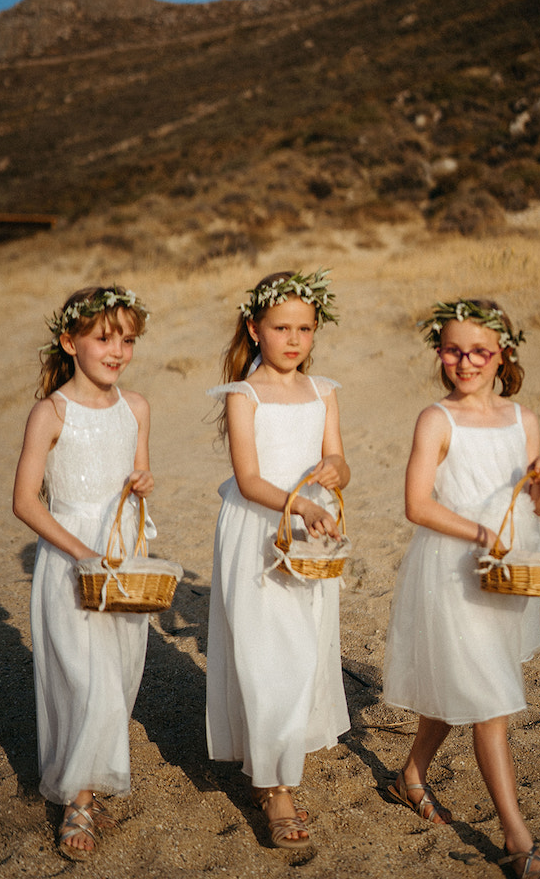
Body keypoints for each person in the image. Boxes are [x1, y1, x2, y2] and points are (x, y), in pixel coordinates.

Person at [383, 298, 540, 878]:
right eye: (455, 349)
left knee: (460, 687)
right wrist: (479, 530)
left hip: (507, 573)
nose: (466, 361)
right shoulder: (437, 419)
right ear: (440, 352)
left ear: (502, 353)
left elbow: (532, 505)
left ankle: (410, 772)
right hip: (455, 571)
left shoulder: (522, 419)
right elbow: (417, 505)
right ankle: (517, 839)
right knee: (491, 701)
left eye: (480, 351)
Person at [205, 269, 351, 848]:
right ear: (254, 328)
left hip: (312, 531)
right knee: (267, 652)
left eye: (305, 328)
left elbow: (337, 458)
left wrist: (337, 473)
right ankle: (274, 789)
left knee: (304, 647)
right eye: (281, 327)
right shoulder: (244, 394)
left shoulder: (324, 391)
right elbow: (247, 478)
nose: (294, 339)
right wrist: (297, 508)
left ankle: (281, 757)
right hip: (261, 528)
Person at [13, 285, 154, 862]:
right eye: (103, 338)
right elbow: (25, 501)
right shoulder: (51, 412)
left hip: (123, 559)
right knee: (82, 677)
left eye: (126, 339)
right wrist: (79, 552)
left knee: (117, 676)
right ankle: (79, 800)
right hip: (72, 562)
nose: (116, 350)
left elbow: (138, 475)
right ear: (70, 342)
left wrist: (143, 483)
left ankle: (87, 780)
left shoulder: (137, 407)